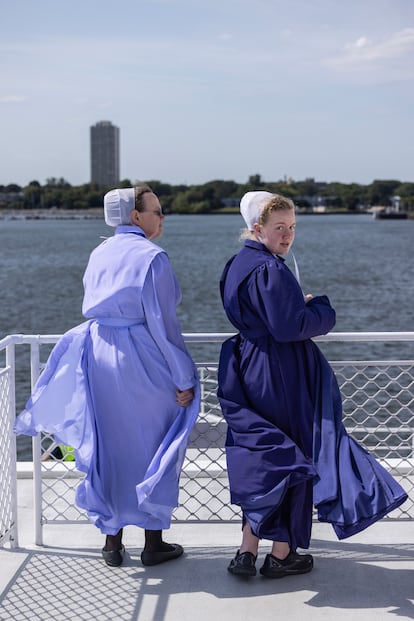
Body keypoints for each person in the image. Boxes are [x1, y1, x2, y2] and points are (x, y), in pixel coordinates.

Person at [217, 191, 407, 579]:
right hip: (280, 371)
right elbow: (290, 327)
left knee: (265, 454)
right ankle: (282, 555)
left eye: (292, 228)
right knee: (295, 455)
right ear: (257, 228)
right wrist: (320, 308)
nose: (287, 236)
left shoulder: (236, 265)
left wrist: (290, 307)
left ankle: (246, 550)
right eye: (279, 228)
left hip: (248, 364)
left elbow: (263, 315)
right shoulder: (270, 268)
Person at [14, 184, 200, 568]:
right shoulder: (153, 257)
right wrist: (184, 377)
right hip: (141, 357)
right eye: (157, 211)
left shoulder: (99, 252)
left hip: (98, 353)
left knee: (108, 445)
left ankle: (112, 543)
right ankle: (153, 543)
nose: (162, 217)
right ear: (136, 216)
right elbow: (163, 326)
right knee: (154, 445)